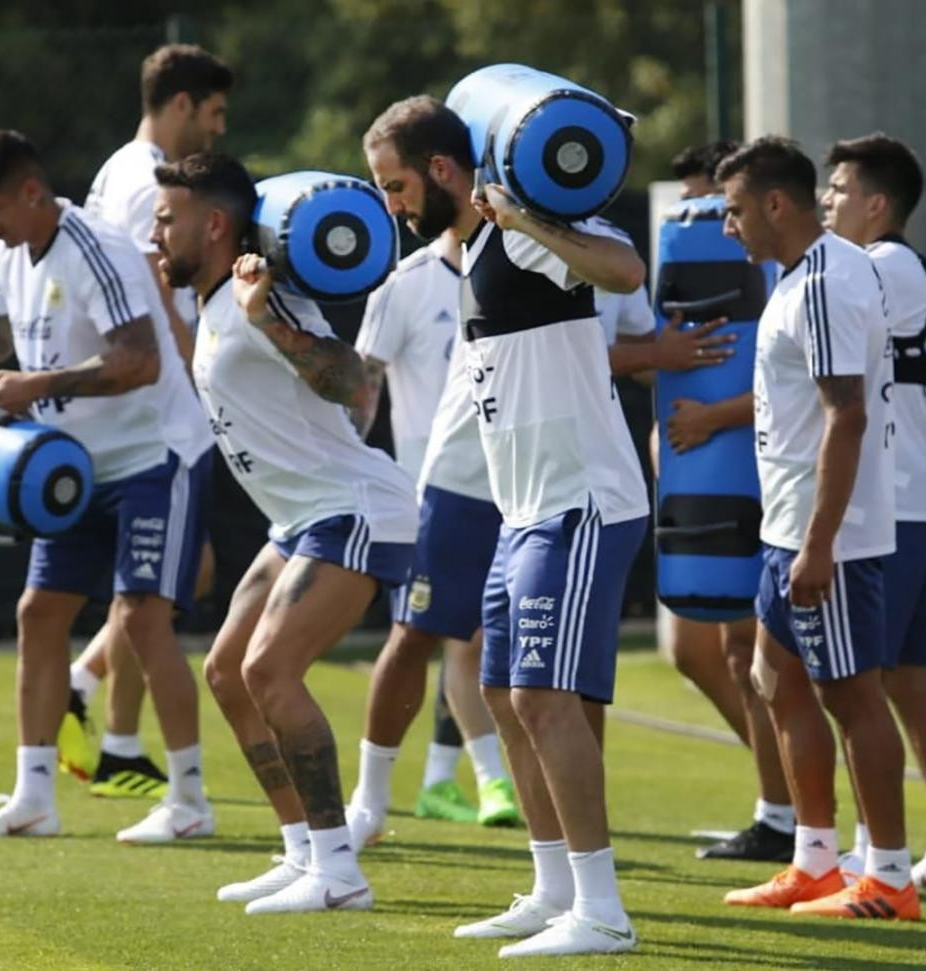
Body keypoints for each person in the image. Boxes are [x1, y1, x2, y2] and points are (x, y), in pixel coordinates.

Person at [363, 95, 649, 957]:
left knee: (537, 694)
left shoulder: (520, 230)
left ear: (445, 172)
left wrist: (525, 213)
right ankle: (554, 884)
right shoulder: (465, 254)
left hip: (582, 499)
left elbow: (626, 270)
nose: (391, 205)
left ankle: (602, 908)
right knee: (497, 689)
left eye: (397, 185)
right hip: (523, 507)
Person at [0, 130, 214, 843]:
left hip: (156, 456)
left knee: (145, 617)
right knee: (38, 612)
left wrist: (41, 384)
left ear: (33, 193)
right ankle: (34, 797)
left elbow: (141, 361)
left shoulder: (95, 247)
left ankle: (188, 801)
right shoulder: (10, 249)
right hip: (76, 466)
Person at [150, 152, 418, 913]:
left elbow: (350, 380)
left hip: (355, 508)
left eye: (168, 218)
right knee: (228, 672)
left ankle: (339, 871)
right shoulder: (213, 303)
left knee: (270, 670)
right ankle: (304, 849)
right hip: (300, 519)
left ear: (214, 223)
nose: (155, 231)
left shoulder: (262, 300)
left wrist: (267, 315)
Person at [716, 136, 919, 919]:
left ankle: (892, 879)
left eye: (735, 210)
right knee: (775, 679)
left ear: (774, 203)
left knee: (853, 696)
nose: (728, 226)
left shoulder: (830, 280)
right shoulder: (799, 277)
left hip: (825, 534)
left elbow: (848, 415)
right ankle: (814, 862)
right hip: (789, 525)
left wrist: (821, 543)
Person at [57, 43, 234, 799]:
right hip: (161, 415)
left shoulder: (115, 168)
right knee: (165, 585)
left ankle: (111, 728)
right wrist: (199, 369)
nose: (220, 130)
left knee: (164, 586)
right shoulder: (146, 179)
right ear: (183, 102)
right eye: (216, 113)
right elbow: (152, 283)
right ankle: (125, 737)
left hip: (138, 413)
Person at [820, 132, 926, 892]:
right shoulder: (885, 266)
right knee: (906, 679)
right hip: (915, 491)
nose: (827, 201)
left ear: (877, 204)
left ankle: (870, 851)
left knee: (862, 678)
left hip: (897, 499)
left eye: (839, 189)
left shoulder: (882, 265)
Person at [349, 227, 520, 829]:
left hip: (506, 480)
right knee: (431, 636)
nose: (393, 205)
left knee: (473, 637)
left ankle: (443, 781)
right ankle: (386, 797)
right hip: (427, 490)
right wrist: (354, 466)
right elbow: (362, 384)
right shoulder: (406, 282)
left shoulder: (517, 262)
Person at [659, 140, 797, 863]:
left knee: (760, 655)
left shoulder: (779, 271)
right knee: (696, 648)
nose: (702, 220)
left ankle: (799, 812)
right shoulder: (691, 268)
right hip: (704, 480)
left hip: (764, 484)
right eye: (690, 206)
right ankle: (786, 801)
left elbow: (793, 384)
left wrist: (710, 419)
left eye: (712, 207)